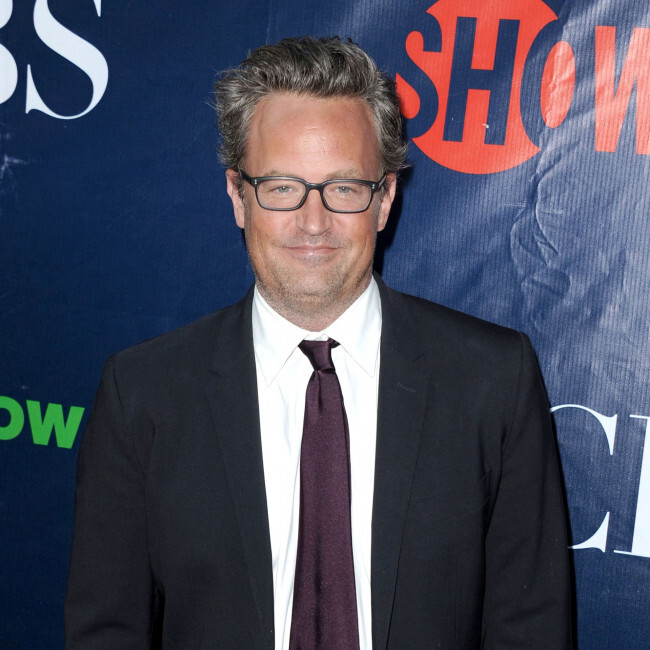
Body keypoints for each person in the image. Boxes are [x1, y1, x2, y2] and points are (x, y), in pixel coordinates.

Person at [65, 36, 572, 649]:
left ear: (384, 199)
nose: (313, 222)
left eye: (344, 187)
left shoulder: (494, 380)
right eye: (282, 186)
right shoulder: (142, 394)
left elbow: (532, 630)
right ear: (238, 196)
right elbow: (107, 633)